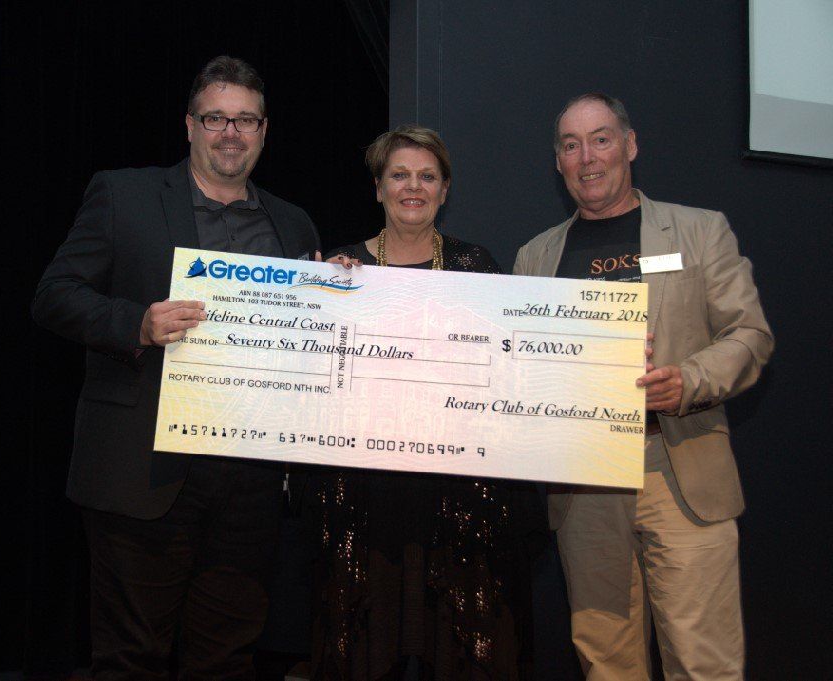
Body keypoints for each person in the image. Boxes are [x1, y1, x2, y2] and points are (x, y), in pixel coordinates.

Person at [32, 55, 319, 680]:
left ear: (265, 131)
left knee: (225, 659)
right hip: (141, 472)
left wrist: (337, 296)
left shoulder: (291, 222)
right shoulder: (123, 194)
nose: (230, 133)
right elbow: (54, 294)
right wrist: (136, 323)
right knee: (130, 659)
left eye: (246, 120)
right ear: (189, 125)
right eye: (215, 117)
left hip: (248, 485)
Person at [513, 93, 773, 680]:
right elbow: (521, 368)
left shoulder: (700, 231)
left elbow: (750, 335)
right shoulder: (535, 258)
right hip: (586, 488)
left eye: (601, 139)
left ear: (630, 145)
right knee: (606, 663)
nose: (588, 157)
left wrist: (688, 380)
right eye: (571, 145)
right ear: (558, 162)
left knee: (703, 664)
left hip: (679, 471)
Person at [310, 125, 543, 680]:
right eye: (399, 175)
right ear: (378, 188)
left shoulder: (477, 266)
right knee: (366, 646)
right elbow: (313, 382)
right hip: (364, 497)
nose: (412, 187)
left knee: (461, 652)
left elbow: (506, 373)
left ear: (444, 190)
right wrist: (317, 301)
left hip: (456, 499)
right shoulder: (337, 267)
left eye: (427, 176)